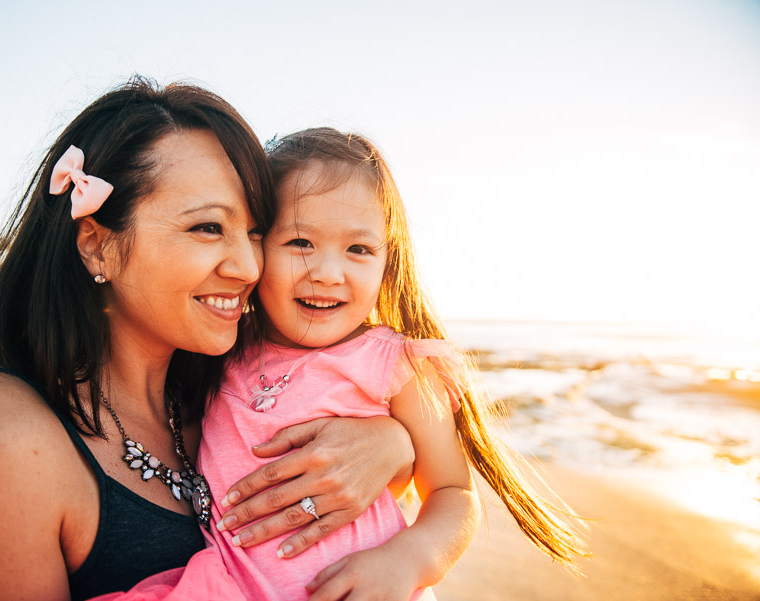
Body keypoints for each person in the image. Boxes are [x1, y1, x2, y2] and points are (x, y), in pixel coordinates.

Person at [0, 80, 419, 601]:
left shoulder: (229, 391)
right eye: (209, 228)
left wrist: (394, 443)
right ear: (97, 245)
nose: (249, 266)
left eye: (257, 232)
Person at [97, 128, 588, 601]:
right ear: (258, 246)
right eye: (300, 243)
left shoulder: (397, 366)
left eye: (358, 249)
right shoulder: (220, 348)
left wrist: (405, 560)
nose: (328, 273)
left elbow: (454, 493)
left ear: (386, 260)